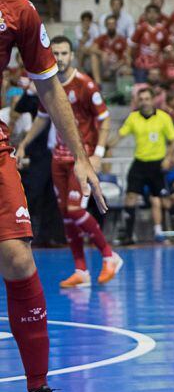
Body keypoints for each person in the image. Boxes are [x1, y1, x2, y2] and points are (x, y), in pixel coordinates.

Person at [0, 0, 108, 392]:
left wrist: (82, 157)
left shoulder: (18, 10)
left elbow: (48, 87)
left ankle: (38, 391)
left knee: (19, 257)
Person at [15, 37, 121, 288]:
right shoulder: (48, 85)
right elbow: (42, 118)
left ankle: (109, 256)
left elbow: (104, 121)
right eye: (56, 53)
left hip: (80, 160)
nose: (60, 58)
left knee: (75, 210)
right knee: (66, 215)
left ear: (72, 56)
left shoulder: (86, 85)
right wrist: (23, 144)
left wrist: (97, 153)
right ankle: (81, 270)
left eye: (64, 53)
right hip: (58, 157)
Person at [118, 87, 174, 244]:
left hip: (158, 164)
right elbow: (120, 135)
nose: (144, 102)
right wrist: (104, 147)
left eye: (147, 99)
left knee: (165, 199)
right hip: (140, 163)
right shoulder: (133, 118)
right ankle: (128, 236)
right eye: (141, 99)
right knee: (130, 196)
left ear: (152, 100)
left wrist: (168, 158)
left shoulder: (163, 118)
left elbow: (173, 140)